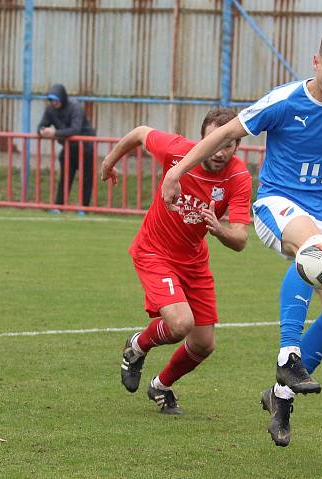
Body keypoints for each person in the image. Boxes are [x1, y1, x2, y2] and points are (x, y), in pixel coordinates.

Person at [160, 28, 322, 446]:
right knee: (313, 252)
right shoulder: (285, 100)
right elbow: (223, 133)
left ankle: (281, 395)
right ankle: (289, 356)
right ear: (315, 62)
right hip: (277, 204)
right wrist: (177, 170)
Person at [101, 108, 252, 415]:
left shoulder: (238, 176)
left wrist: (219, 229)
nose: (221, 151)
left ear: (237, 144)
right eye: (215, 142)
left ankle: (161, 385)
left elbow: (240, 240)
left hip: (194, 261)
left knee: (203, 344)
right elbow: (140, 132)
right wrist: (109, 161)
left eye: (228, 144)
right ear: (202, 139)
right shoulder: (178, 152)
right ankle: (138, 346)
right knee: (181, 323)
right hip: (154, 250)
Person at [37, 84, 97, 213]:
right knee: (65, 177)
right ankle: (59, 206)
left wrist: (55, 133)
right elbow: (41, 126)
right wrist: (42, 131)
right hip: (69, 148)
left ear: (63, 98)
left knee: (86, 178)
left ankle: (83, 208)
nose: (54, 102)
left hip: (85, 147)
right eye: (52, 100)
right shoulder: (50, 110)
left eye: (56, 99)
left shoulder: (75, 107)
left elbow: (75, 129)